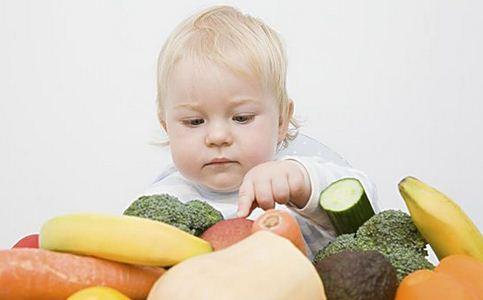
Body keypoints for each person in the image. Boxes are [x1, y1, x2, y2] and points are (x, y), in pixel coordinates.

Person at [141, 5, 378, 257]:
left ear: (281, 122)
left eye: (241, 118)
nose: (218, 137)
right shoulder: (161, 201)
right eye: (195, 122)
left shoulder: (292, 184)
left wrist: (303, 183)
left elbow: (370, 212)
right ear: (166, 125)